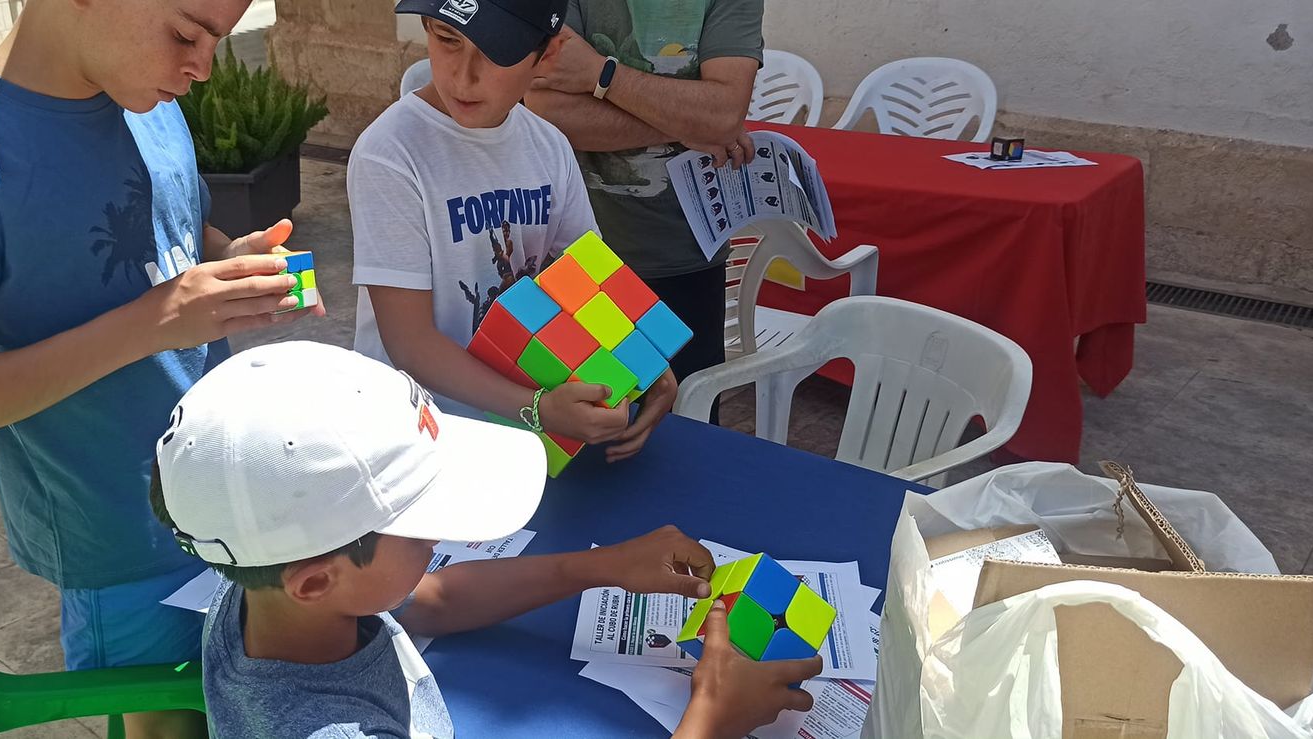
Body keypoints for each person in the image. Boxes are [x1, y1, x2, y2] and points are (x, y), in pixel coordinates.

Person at [0, 0, 321, 734]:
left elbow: (172, 230)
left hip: (231, 504)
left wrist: (230, 263)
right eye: (186, 34)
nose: (203, 69)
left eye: (217, 40)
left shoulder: (146, 101)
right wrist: (154, 322)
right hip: (122, 547)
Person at [150, 341, 824, 738]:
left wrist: (600, 567)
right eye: (420, 524)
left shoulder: (269, 593)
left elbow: (434, 599)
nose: (440, 537)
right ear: (316, 580)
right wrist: (710, 719)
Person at [350, 0, 676, 463]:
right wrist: (539, 409)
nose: (464, 77)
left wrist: (647, 358)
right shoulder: (389, 153)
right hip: (416, 440)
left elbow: (591, 281)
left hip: (519, 440)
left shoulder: (550, 146)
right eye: (447, 40)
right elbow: (409, 342)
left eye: (495, 52)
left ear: (547, 55)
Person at [526, 0, 765, 397]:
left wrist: (601, 74)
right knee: (577, 419)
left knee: (684, 420)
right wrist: (690, 125)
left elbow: (723, 114)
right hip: (571, 259)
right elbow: (549, 114)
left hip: (684, 259)